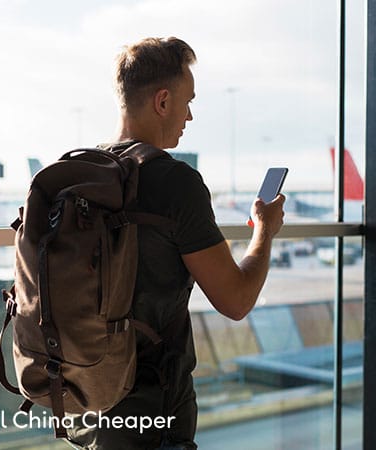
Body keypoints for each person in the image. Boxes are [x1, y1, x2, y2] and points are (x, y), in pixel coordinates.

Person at [66, 37, 285, 450]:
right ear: (162, 101)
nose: (189, 116)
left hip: (81, 401)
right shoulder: (175, 183)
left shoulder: (77, 172)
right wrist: (264, 231)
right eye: (187, 102)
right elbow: (235, 300)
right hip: (151, 411)